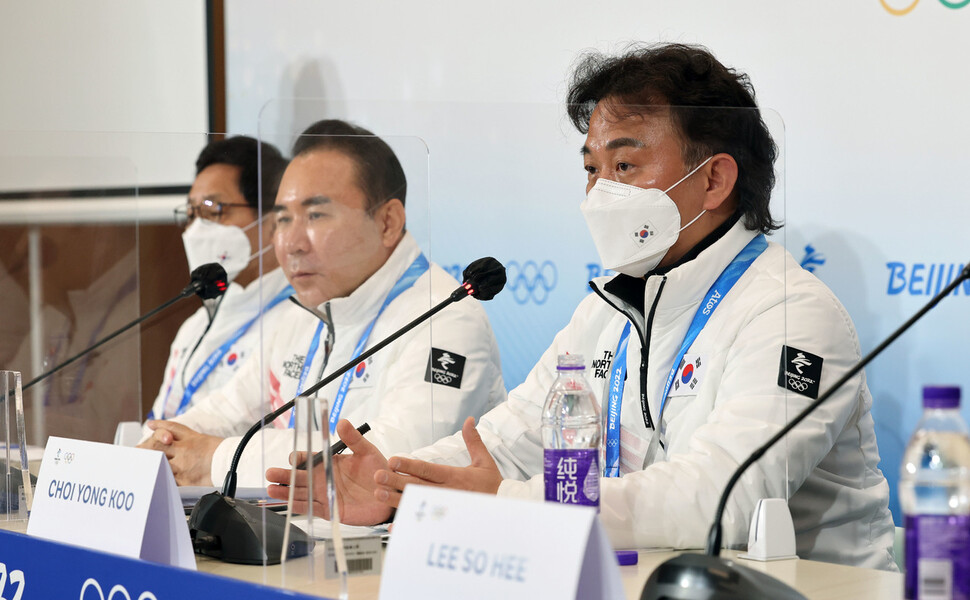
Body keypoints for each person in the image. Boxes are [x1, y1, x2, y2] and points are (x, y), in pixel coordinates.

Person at [268, 44, 897, 570]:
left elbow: (722, 500)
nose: (599, 192)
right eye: (592, 168)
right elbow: (510, 439)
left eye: (625, 164)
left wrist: (508, 502)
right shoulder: (609, 307)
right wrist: (394, 480)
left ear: (713, 180)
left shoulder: (792, 315)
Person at [140, 120, 506, 488]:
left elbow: (385, 459)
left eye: (315, 215)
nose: (292, 243)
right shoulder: (304, 311)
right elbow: (228, 409)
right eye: (283, 218)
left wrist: (216, 458)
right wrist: (164, 444)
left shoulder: (446, 318)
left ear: (387, 222)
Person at [146, 136, 291, 422]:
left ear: (273, 221)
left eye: (214, 210)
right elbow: (160, 419)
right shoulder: (194, 328)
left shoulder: (297, 320)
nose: (198, 229)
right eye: (191, 213)